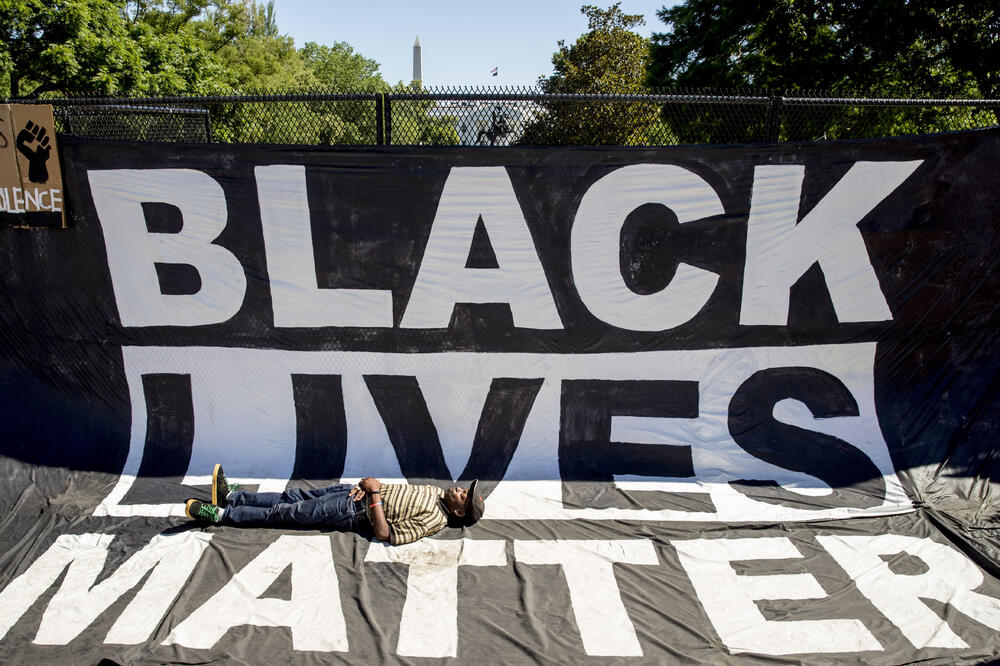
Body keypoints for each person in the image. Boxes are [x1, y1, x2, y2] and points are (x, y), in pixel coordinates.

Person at [184, 464, 485, 546]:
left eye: (464, 496)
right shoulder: (434, 491)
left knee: (286, 513)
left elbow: (385, 535)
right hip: (351, 494)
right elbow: (384, 490)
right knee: (292, 497)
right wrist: (365, 486)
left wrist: (374, 494)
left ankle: (221, 515)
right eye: (464, 490)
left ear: (459, 512)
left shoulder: (434, 520)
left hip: (351, 512)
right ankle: (233, 496)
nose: (460, 489)